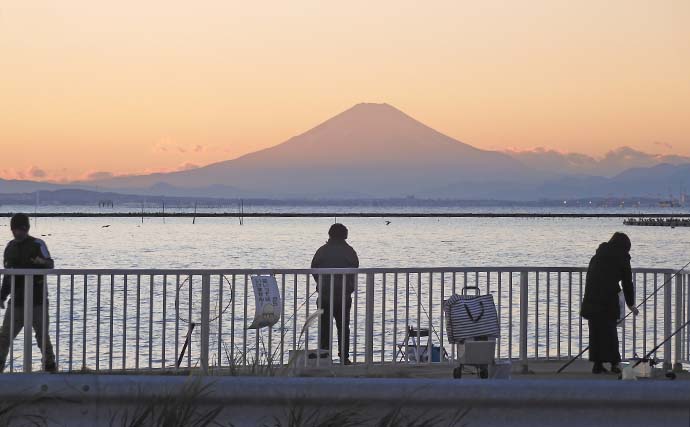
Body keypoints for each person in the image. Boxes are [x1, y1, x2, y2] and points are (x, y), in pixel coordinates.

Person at [0, 213, 56, 372]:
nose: (18, 233)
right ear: (12, 229)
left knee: (42, 337)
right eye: (15, 229)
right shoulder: (9, 248)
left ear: (27, 229)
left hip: (37, 300)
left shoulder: (38, 244)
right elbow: (7, 274)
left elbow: (50, 264)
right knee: (4, 337)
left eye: (21, 229)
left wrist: (41, 262)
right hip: (16, 301)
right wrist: (2, 296)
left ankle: (50, 368)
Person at [581, 232, 638, 374]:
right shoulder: (622, 258)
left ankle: (597, 364)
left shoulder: (598, 255)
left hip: (591, 298)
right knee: (610, 332)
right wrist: (631, 304)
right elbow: (627, 283)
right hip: (607, 300)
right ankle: (614, 364)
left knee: (596, 332)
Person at [311, 223, 359, 365]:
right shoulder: (350, 251)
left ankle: (324, 356)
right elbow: (355, 267)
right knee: (343, 326)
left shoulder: (322, 250)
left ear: (330, 234)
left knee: (324, 327)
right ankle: (344, 357)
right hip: (343, 295)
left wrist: (321, 283)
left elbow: (314, 268)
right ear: (345, 235)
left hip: (325, 295)